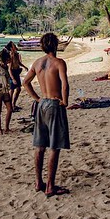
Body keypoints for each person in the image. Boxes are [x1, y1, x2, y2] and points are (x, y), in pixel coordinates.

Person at [23, 32, 71, 197]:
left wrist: (37, 98)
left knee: (40, 146)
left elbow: (25, 82)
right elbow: (65, 84)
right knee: (54, 146)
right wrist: (65, 101)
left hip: (42, 103)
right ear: (56, 45)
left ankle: (38, 182)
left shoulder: (37, 63)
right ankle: (50, 185)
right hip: (54, 104)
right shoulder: (59, 63)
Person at [7, 41, 28, 110]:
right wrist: (13, 78)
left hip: (16, 72)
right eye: (13, 45)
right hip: (12, 73)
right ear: (11, 48)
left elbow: (18, 62)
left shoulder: (16, 54)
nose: (15, 46)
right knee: (12, 90)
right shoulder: (11, 55)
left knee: (18, 89)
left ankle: (13, 104)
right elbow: (9, 69)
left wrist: (24, 67)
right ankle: (10, 106)